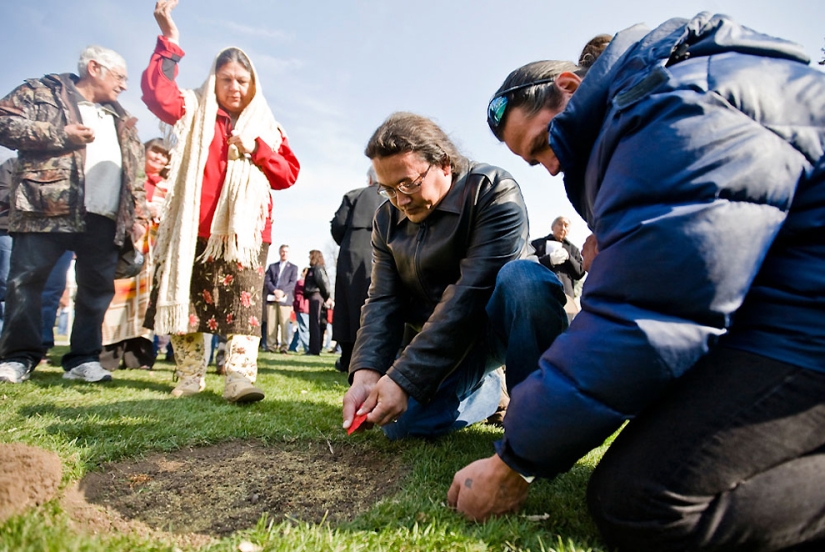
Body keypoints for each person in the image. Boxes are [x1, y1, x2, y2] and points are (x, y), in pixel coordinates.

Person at [448, 13, 825, 552]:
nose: (549, 168)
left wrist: (516, 462)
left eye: (542, 145)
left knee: (642, 501)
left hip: (805, 327)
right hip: (792, 315)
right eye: (533, 162)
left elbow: (645, 314)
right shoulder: (668, 93)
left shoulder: (670, 110)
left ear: (571, 87)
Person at [341, 112, 568, 440]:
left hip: (499, 323)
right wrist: (366, 373)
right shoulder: (385, 220)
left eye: (408, 183)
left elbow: (472, 293)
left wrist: (404, 377)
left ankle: (538, 412)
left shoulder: (492, 190)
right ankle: (488, 393)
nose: (400, 201)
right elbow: (383, 300)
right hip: (443, 339)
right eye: (388, 189)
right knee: (403, 424)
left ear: (444, 164)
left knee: (525, 279)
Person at [141, 0, 300, 403]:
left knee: (244, 310)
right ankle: (190, 377)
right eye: (226, 79)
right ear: (214, 80)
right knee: (188, 303)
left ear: (253, 84)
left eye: (242, 81)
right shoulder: (194, 108)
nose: (234, 88)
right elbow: (157, 95)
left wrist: (257, 149)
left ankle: (239, 379)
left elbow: (288, 174)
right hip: (191, 227)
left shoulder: (267, 126)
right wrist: (169, 41)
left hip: (244, 235)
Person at [0, 44, 148, 384]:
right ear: (94, 68)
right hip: (46, 207)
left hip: (105, 215)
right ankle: (18, 357)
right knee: (26, 281)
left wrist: (136, 214)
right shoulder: (41, 92)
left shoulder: (122, 118)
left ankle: (83, 359)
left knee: (96, 289)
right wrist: (56, 134)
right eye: (120, 76)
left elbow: (135, 172)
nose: (124, 85)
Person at [100, 138, 171, 371]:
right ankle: (109, 355)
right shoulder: (130, 178)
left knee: (145, 304)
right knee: (117, 300)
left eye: (164, 155)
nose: (159, 158)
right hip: (130, 247)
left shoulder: (169, 186)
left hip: (155, 253)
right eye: (155, 152)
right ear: (144, 151)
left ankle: (138, 358)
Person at [330, 166, 383, 373]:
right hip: (383, 251)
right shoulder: (394, 197)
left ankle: (348, 358)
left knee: (347, 304)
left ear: (369, 179)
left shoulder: (353, 195)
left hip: (352, 253)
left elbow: (338, 225)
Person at [530, 215, 585, 320]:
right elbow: (527, 265)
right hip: (540, 294)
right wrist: (548, 260)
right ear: (553, 227)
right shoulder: (538, 244)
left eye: (566, 226)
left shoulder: (573, 250)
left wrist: (569, 258)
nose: (563, 228)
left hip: (566, 298)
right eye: (560, 224)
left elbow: (579, 273)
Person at [263, 244, 298, 353]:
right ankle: (270, 346)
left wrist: (282, 292)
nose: (284, 253)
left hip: (285, 300)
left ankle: (284, 347)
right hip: (272, 298)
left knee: (284, 324)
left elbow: (292, 283)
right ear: (279, 252)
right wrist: (275, 291)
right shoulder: (272, 267)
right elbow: (267, 281)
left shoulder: (293, 268)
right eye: (282, 251)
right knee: (271, 324)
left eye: (286, 251)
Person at [303, 250, 330, 356]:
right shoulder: (314, 269)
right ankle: (314, 348)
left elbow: (324, 284)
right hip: (315, 297)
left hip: (316, 297)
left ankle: (314, 349)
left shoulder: (317, 269)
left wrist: (326, 296)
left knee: (315, 323)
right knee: (315, 323)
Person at [0, 157, 16, 334]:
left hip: (47, 232)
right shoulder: (11, 164)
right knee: (5, 285)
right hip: (7, 230)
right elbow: (3, 194)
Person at [288, 267, 310, 353]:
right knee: (304, 328)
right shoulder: (301, 282)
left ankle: (293, 346)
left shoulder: (302, 283)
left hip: (304, 308)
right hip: (302, 308)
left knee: (301, 328)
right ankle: (307, 347)